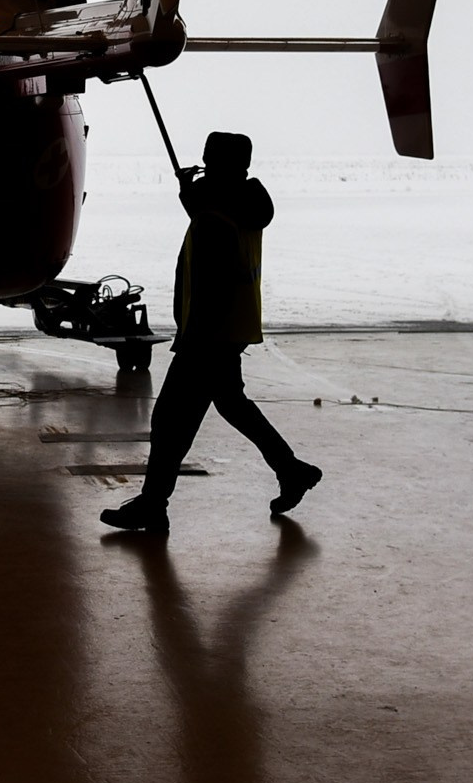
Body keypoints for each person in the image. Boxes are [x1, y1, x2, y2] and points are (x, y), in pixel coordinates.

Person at [102, 132, 321, 534]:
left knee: (170, 421)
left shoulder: (215, 216)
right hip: (232, 329)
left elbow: (210, 274)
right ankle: (291, 470)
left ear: (214, 165)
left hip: (207, 336)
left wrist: (192, 341)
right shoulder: (242, 203)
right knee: (231, 406)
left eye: (207, 162)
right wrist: (192, 196)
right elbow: (211, 213)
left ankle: (153, 504)